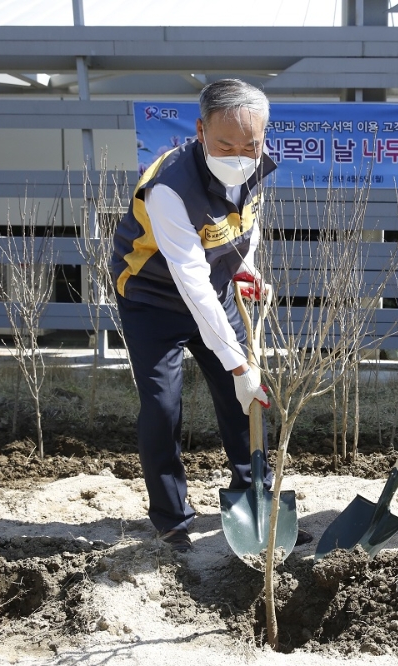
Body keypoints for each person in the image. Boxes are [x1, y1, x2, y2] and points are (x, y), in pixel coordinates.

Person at [111, 79, 310, 552]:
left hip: (215, 287)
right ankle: (171, 517)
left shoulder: (253, 162)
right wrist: (238, 363)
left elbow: (244, 223)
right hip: (151, 296)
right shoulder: (168, 187)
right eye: (226, 144)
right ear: (200, 130)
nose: (240, 155)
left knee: (245, 400)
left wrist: (243, 266)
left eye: (251, 144)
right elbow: (190, 280)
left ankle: (252, 493)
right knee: (162, 406)